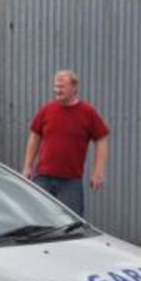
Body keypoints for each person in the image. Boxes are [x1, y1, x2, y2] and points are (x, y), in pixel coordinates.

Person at [22, 70, 109, 215]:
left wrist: (98, 171)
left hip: (70, 181)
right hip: (43, 177)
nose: (57, 90)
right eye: (56, 86)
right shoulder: (47, 110)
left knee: (71, 222)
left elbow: (102, 139)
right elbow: (35, 136)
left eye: (62, 87)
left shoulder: (88, 112)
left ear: (74, 87)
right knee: (37, 219)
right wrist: (28, 166)